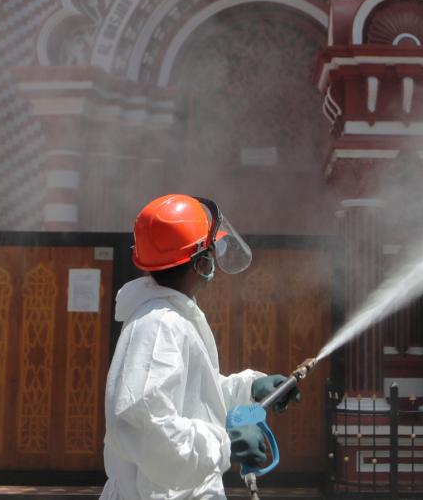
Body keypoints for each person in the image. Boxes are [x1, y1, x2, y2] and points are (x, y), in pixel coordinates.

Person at [101, 194, 301, 500]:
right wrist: (224, 441)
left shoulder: (172, 317)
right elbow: (147, 426)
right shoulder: (159, 326)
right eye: (211, 251)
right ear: (201, 262)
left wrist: (249, 388)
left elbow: (191, 397)